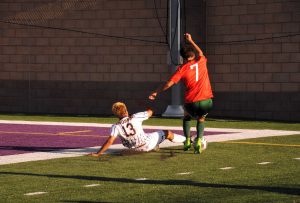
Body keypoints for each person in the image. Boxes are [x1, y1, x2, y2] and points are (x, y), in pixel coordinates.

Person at [149, 33, 213, 154]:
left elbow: (169, 83)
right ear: (193, 54)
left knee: (187, 116)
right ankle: (199, 140)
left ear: (183, 57)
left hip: (191, 102)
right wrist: (191, 40)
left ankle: (188, 141)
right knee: (201, 119)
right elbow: (201, 53)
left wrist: (156, 92)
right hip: (207, 100)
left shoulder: (182, 69)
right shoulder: (202, 61)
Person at [88, 102, 186, 157]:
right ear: (126, 110)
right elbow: (150, 112)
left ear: (116, 114)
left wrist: (98, 153)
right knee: (167, 133)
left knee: (149, 134)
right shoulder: (135, 117)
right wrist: (148, 106)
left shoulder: (115, 126)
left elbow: (110, 141)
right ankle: (187, 141)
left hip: (133, 149)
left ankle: (154, 146)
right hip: (146, 143)